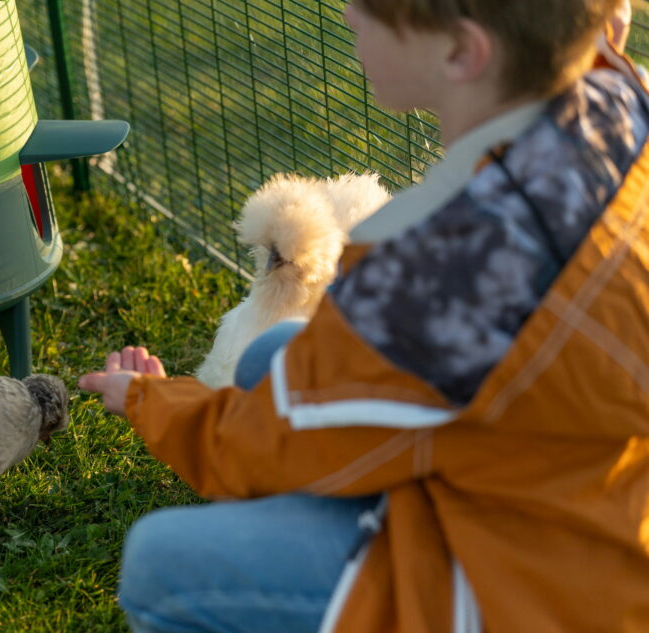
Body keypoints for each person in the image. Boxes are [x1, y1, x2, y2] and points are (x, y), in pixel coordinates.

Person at [80, 1, 649, 632]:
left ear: (461, 51)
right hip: (597, 488)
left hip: (543, 589)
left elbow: (256, 445)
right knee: (274, 357)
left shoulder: (443, 270)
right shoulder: (618, 105)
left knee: (162, 559)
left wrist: (148, 399)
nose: (349, 10)